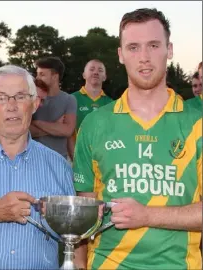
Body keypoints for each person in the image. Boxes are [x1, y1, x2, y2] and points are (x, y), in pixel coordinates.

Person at [73, 8, 202, 270]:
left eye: (153, 45)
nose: (144, 57)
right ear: (120, 54)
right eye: (133, 47)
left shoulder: (197, 123)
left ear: (170, 49)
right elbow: (84, 214)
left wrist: (147, 215)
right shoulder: (95, 124)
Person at [0, 65, 75, 270]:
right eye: (1, 97)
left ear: (34, 104)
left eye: (20, 96)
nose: (11, 105)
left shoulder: (59, 166)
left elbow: (73, 234)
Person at [30, 57, 77, 160]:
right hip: (33, 161)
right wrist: (57, 126)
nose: (37, 78)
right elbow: (26, 132)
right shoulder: (31, 98)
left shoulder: (69, 99)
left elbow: (67, 131)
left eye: (42, 74)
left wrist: (36, 122)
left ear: (55, 77)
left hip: (60, 161)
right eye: (37, 74)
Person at [67, 59, 113, 159]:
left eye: (100, 70)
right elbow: (67, 133)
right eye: (92, 69)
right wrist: (76, 159)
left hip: (102, 160)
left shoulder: (111, 104)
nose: (96, 72)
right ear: (84, 75)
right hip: (77, 158)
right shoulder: (71, 99)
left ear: (104, 77)